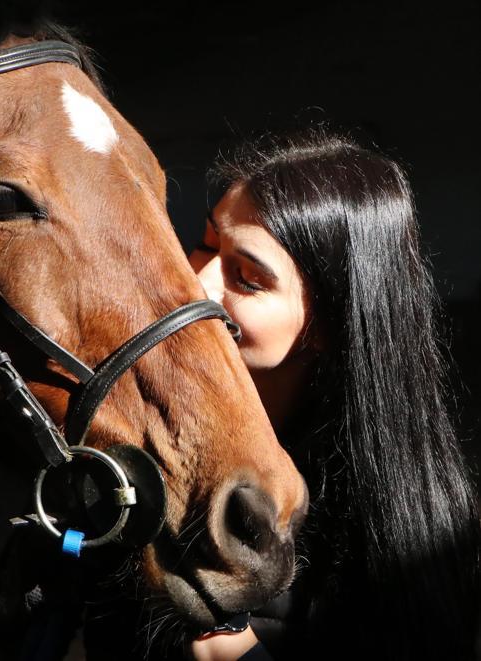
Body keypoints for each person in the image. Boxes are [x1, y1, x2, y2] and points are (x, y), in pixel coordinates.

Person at [186, 129, 480, 661]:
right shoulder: (148, 412)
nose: (197, 285)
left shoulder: (402, 530)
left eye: (248, 278)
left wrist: (230, 650)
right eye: (207, 244)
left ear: (330, 322)